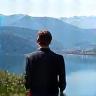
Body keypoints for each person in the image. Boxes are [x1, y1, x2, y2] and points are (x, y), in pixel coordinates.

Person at [25, 30, 66, 96]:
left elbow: (28, 78)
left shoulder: (30, 58)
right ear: (50, 41)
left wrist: (28, 89)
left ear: (38, 41)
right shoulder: (59, 58)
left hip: (35, 93)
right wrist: (61, 90)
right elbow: (62, 79)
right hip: (53, 93)